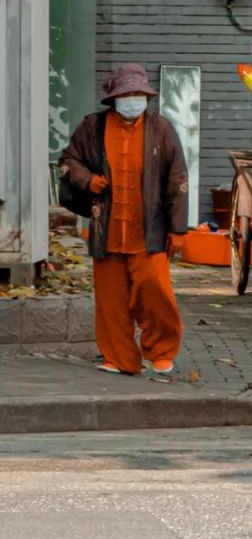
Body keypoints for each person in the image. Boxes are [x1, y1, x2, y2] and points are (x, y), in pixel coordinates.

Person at [59, 63, 189, 376]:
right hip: (108, 229)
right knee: (111, 301)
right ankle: (119, 358)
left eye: (139, 94)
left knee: (156, 292)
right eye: (126, 94)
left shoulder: (162, 129)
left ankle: (160, 351)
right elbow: (68, 160)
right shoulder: (93, 127)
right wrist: (88, 181)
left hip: (149, 230)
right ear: (114, 98)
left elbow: (177, 178)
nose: (133, 100)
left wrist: (179, 228)